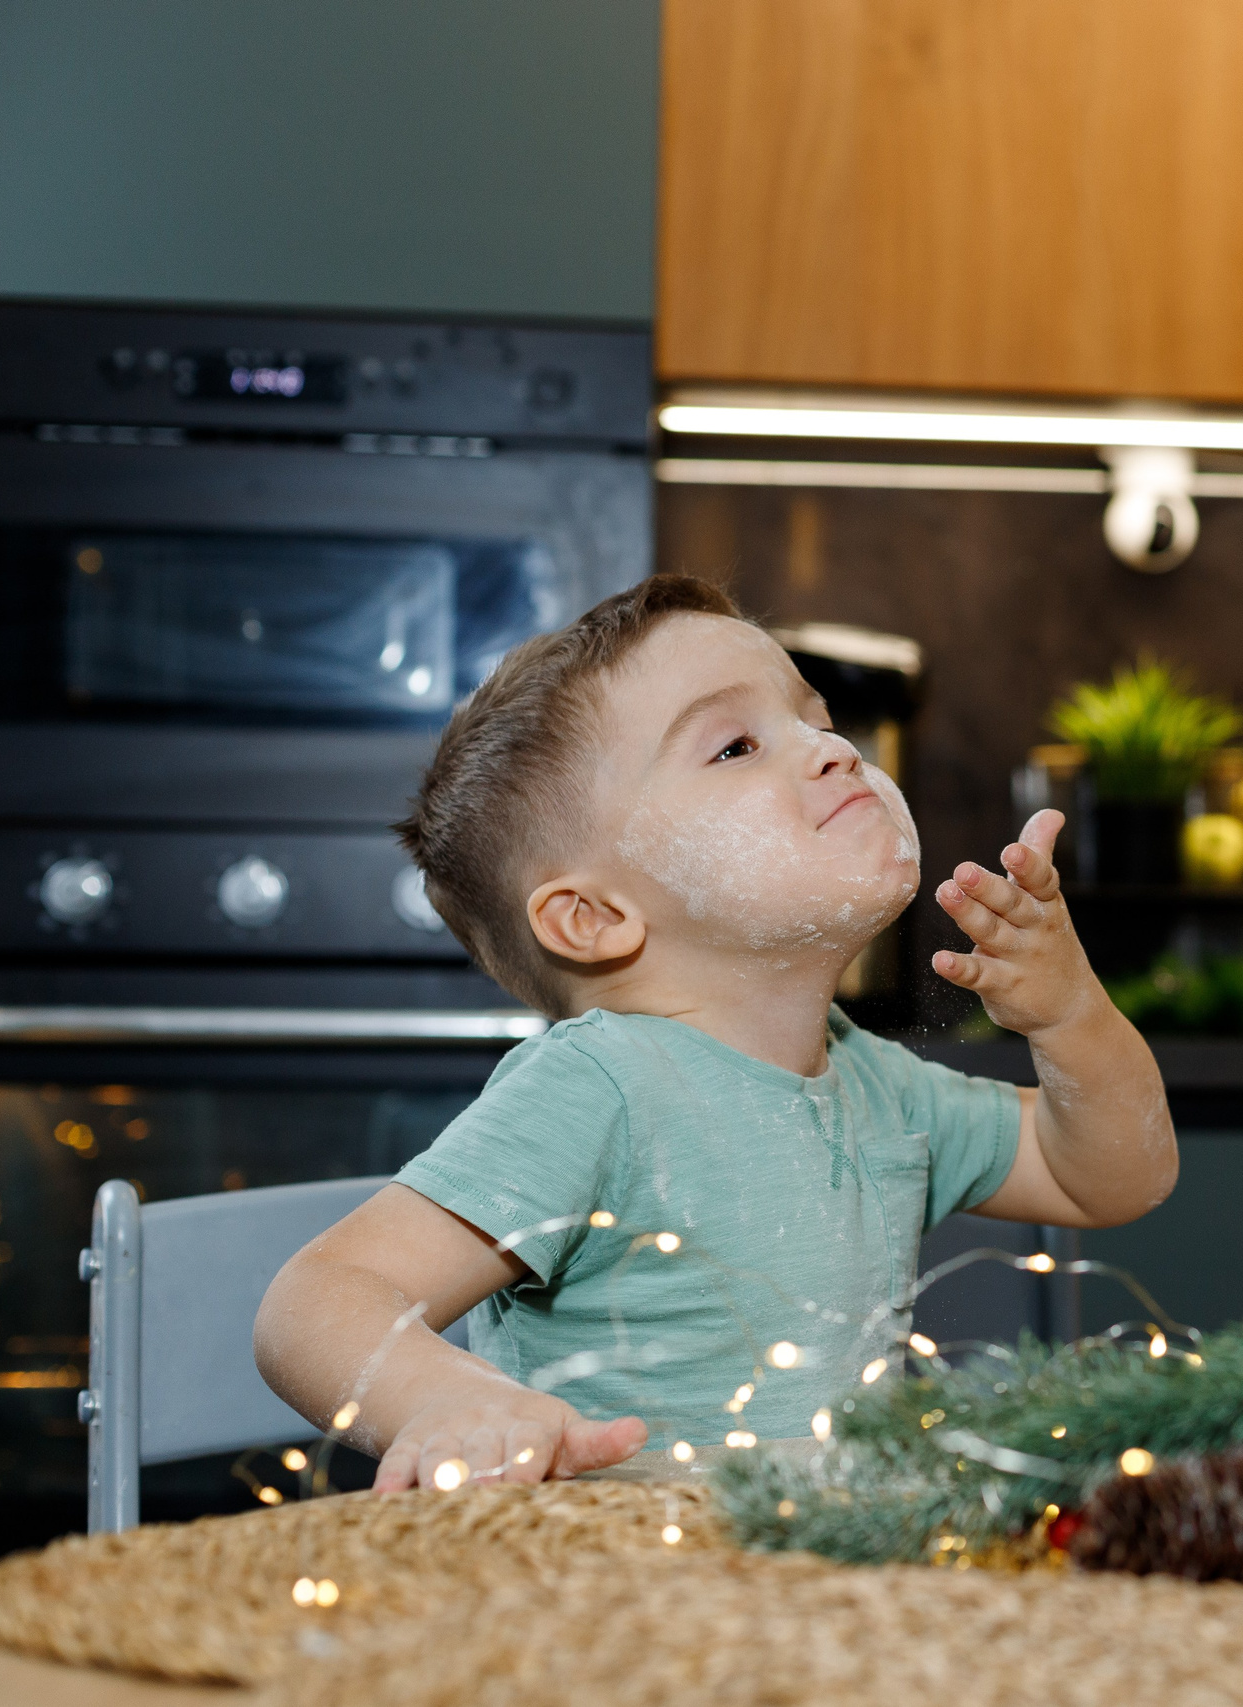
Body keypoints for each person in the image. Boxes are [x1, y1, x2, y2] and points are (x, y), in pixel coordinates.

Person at [254, 576, 1175, 1489]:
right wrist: (447, 1397)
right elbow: (312, 1302)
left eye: (816, 718)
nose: (831, 751)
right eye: (735, 745)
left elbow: (1112, 1174)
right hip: (625, 1608)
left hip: (825, 1597)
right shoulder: (599, 1089)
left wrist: (1069, 1011)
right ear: (593, 917)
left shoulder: (877, 1083)